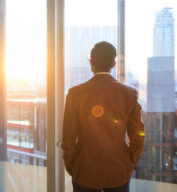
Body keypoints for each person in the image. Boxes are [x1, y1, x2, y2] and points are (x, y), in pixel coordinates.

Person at [62, 41, 145, 192]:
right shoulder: (129, 94)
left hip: (84, 172)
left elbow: (68, 139)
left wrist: (73, 167)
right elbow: (138, 136)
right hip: (119, 172)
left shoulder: (75, 94)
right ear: (113, 64)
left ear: (90, 62)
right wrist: (130, 163)